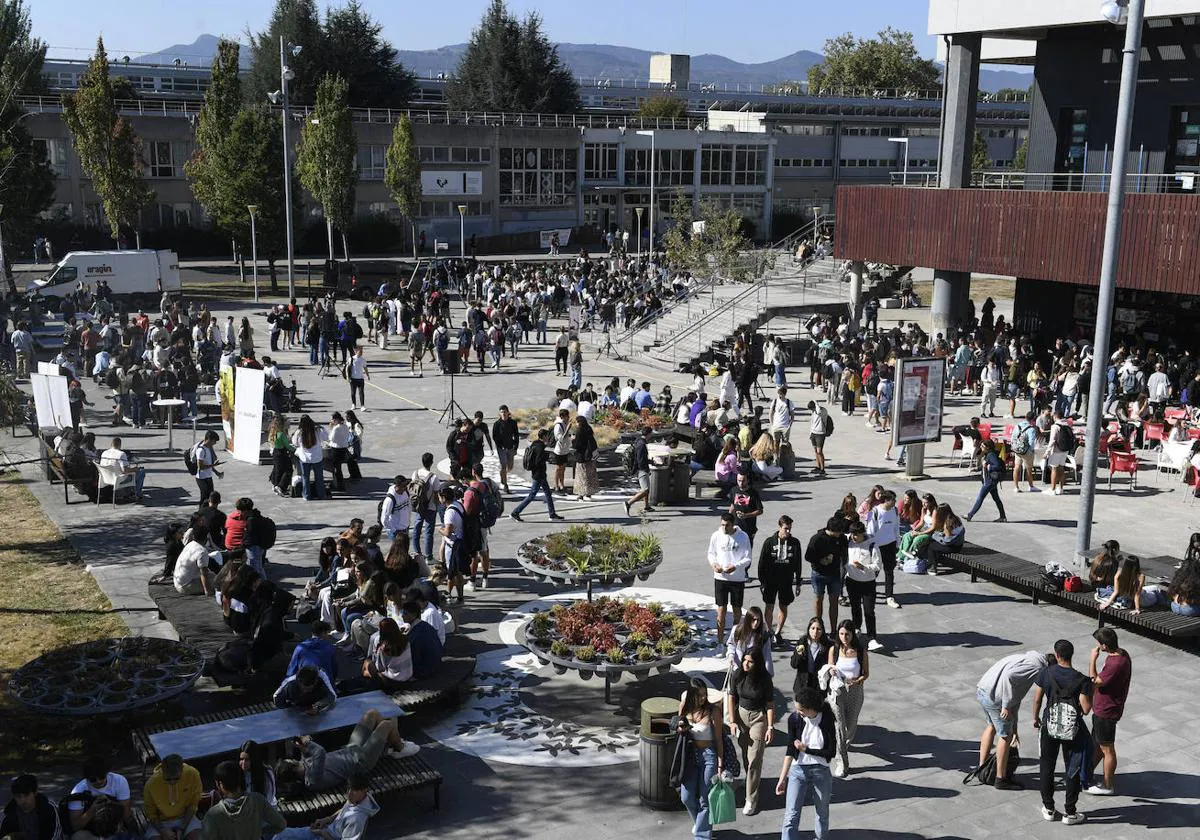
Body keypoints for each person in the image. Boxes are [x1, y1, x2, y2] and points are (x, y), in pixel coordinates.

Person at [275, 709, 419, 793]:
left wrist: (303, 747)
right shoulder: (312, 779)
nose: (290, 758)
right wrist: (308, 742)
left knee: (371, 714)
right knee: (387, 724)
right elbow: (320, 753)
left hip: (350, 749)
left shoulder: (302, 767)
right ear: (292, 767)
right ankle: (399, 748)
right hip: (361, 762)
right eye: (289, 760)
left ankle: (390, 743)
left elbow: (308, 756)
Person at [1032, 639, 1094, 825]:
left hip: (1049, 726)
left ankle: (1049, 808)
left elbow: (1037, 699)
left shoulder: (1046, 672)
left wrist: (1035, 718)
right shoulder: (1081, 679)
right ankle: (1070, 812)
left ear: (1057, 655)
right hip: (1072, 729)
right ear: (1071, 655)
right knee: (1072, 768)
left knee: (1047, 766)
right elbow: (1085, 709)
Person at [975, 649, 1051, 791]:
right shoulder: (1036, 667)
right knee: (1005, 737)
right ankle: (1000, 778)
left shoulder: (1026, 659)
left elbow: (1016, 697)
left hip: (983, 690)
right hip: (995, 698)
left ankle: (982, 768)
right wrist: (1005, 705)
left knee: (991, 726)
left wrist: (1015, 728)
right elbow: (1009, 677)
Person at [776, 686, 836, 840]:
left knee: (822, 813)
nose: (798, 712)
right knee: (791, 815)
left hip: (821, 771)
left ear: (811, 709)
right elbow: (790, 750)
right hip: (798, 771)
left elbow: (831, 752)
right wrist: (782, 778)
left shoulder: (826, 719)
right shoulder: (795, 719)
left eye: (801, 710)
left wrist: (806, 749)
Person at [725, 648, 775, 816]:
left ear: (757, 663)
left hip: (758, 718)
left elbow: (769, 704)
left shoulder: (764, 678)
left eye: (750, 661)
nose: (746, 663)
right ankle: (751, 781)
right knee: (746, 755)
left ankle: (751, 798)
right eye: (745, 660)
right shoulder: (738, 673)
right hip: (741, 716)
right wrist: (732, 721)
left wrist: (770, 726)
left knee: (754, 758)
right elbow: (731, 697)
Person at [675, 678, 724, 840]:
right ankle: (701, 824)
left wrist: (720, 763)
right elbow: (678, 726)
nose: (703, 698)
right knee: (686, 797)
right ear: (691, 695)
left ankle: (702, 836)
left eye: (704, 695)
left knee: (705, 799)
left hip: (708, 755)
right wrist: (680, 728)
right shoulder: (684, 707)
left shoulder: (713, 711)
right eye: (699, 695)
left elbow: (718, 739)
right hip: (689, 755)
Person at [1086, 628, 1131, 796]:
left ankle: (1107, 784)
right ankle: (1087, 772)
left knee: (1107, 748)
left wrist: (1092, 660)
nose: (1096, 646)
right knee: (1098, 743)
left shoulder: (1115, 664)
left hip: (1106, 711)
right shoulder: (1122, 654)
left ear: (1104, 646)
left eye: (1098, 643)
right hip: (1105, 708)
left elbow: (1094, 681)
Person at [271, 775, 378, 840]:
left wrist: (322, 833)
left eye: (354, 790)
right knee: (281, 835)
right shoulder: (359, 799)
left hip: (324, 836)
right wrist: (327, 819)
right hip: (324, 830)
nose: (349, 794)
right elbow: (346, 809)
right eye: (348, 789)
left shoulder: (357, 820)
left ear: (365, 790)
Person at [200, 760, 285, 840]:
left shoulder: (213, 815)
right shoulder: (257, 800)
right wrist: (260, 831)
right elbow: (281, 824)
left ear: (220, 784)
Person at [827, 620, 869, 777]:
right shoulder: (834, 649)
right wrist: (831, 672)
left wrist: (857, 681)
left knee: (850, 727)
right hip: (837, 692)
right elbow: (830, 668)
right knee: (840, 726)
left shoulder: (860, 651)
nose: (844, 637)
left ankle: (840, 747)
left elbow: (866, 673)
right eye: (841, 634)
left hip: (855, 691)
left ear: (853, 634)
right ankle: (841, 762)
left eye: (847, 634)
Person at [708, 512, 752, 649]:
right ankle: (720, 641)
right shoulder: (716, 535)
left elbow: (748, 558)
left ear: (733, 525)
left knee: (737, 610)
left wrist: (736, 566)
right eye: (722, 525)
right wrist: (714, 564)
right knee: (721, 610)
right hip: (720, 578)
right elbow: (711, 553)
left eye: (727, 525)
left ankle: (735, 639)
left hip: (737, 579)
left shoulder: (743, 537)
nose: (724, 528)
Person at [757, 515, 802, 644]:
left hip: (786, 580)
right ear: (779, 527)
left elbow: (798, 563)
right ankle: (769, 631)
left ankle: (778, 632)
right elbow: (762, 562)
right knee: (769, 605)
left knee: (783, 606)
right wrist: (762, 581)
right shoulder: (769, 542)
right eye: (786, 529)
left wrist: (798, 582)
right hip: (771, 579)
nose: (788, 532)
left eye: (789, 529)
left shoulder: (795, 543)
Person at [65, 757, 132, 840]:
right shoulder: (78, 792)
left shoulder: (119, 781)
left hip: (115, 827)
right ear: (87, 778)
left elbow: (125, 813)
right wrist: (93, 810)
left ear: (107, 773)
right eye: (93, 779)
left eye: (102, 777)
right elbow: (75, 826)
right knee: (77, 837)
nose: (98, 781)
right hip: (91, 830)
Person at [142, 754, 202, 840]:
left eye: (177, 778)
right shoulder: (151, 784)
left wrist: (182, 828)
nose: (172, 782)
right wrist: (162, 831)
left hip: (185, 817)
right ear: (162, 770)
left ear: (182, 770)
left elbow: (193, 805)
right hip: (161, 821)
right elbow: (151, 814)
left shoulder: (193, 774)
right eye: (168, 779)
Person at [844, 522, 883, 651]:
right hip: (852, 581)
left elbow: (878, 566)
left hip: (868, 583)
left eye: (857, 535)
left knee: (869, 611)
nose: (854, 538)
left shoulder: (872, 545)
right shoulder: (848, 542)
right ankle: (856, 629)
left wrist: (863, 567)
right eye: (852, 535)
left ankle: (872, 637)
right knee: (855, 607)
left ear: (863, 534)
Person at [510, 429, 563, 522]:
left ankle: (552, 514)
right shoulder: (540, 447)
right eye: (547, 436)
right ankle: (515, 512)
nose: (548, 438)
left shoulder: (535, 444)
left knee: (548, 493)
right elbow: (538, 461)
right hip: (539, 475)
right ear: (544, 437)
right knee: (532, 495)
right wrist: (546, 457)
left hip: (539, 474)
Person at [805, 517, 847, 630]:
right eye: (838, 532)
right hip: (819, 574)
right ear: (832, 530)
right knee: (819, 599)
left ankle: (834, 629)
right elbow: (808, 556)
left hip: (835, 574)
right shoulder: (817, 539)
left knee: (834, 601)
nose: (840, 534)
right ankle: (819, 627)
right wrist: (820, 560)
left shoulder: (841, 538)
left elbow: (846, 550)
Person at [865, 490, 901, 609]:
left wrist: (897, 542)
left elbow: (896, 527)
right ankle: (868, 593)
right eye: (893, 500)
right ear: (886, 500)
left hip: (890, 545)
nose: (895, 502)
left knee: (889, 571)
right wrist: (872, 547)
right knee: (874, 571)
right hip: (877, 546)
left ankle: (889, 596)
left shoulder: (895, 511)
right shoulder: (874, 512)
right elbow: (870, 531)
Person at [1, 774, 62, 840]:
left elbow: (56, 835)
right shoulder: (9, 814)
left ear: (35, 793)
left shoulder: (48, 808)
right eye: (18, 796)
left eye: (26, 795)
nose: (23, 800)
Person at [964, 439, 1008, 522]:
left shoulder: (991, 455)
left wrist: (989, 467)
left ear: (987, 447)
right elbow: (986, 465)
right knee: (996, 499)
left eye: (982, 446)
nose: (981, 447)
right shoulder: (989, 454)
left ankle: (970, 515)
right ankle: (1003, 517)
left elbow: (996, 465)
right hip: (991, 480)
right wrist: (976, 469)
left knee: (980, 497)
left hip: (990, 481)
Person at [790, 617, 832, 697]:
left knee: (816, 709)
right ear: (808, 629)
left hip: (818, 686)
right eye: (812, 628)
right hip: (802, 685)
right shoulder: (802, 642)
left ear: (822, 631)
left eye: (818, 629)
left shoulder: (828, 646)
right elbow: (793, 664)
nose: (815, 632)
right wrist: (799, 655)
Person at [272, 665, 337, 714]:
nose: (306, 691)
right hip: (296, 706)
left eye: (309, 689)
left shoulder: (322, 677)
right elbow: (276, 697)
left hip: (316, 703)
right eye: (304, 688)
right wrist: (290, 711)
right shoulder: (290, 683)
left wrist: (318, 707)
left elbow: (332, 696)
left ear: (315, 682)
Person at [292, 415, 328, 501]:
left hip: (305, 459)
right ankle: (321, 495)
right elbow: (326, 437)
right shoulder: (317, 430)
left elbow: (295, 443)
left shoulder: (299, 432)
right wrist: (322, 428)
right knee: (319, 477)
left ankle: (307, 495)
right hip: (317, 457)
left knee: (305, 478)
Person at [173, 525, 213, 596]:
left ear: (193, 537)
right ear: (207, 538)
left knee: (213, 575)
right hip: (185, 587)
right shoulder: (202, 551)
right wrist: (207, 591)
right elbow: (203, 573)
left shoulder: (190, 544)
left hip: (178, 582)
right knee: (219, 580)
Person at [622, 427, 653, 516]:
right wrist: (645, 469)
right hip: (642, 469)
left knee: (647, 487)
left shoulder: (639, 441)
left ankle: (647, 506)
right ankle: (628, 503)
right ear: (649, 434)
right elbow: (640, 459)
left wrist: (650, 462)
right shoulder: (641, 444)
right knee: (645, 490)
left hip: (641, 468)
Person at [728, 470, 764, 547]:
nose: (741, 483)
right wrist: (728, 519)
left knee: (747, 549)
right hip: (736, 526)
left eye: (743, 481)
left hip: (749, 527)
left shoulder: (753, 493)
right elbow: (732, 506)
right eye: (739, 480)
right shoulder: (734, 490)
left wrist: (746, 515)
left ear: (748, 480)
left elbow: (760, 510)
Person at [237, 741, 277, 808]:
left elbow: (269, 797)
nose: (243, 763)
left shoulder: (266, 773)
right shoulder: (239, 773)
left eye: (247, 760)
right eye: (241, 759)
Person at [491, 405, 520, 494]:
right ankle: (505, 484)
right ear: (499, 413)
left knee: (510, 466)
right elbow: (494, 437)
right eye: (501, 412)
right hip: (501, 449)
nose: (503, 413)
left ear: (508, 412)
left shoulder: (512, 423)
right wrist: (500, 446)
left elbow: (516, 435)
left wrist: (515, 447)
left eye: (504, 412)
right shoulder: (497, 424)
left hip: (510, 447)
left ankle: (503, 476)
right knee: (503, 466)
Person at [1010, 411, 1039, 493]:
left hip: (1018, 449)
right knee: (1029, 469)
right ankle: (1031, 486)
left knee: (1016, 467)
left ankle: (1016, 487)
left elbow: (1013, 437)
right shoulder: (1031, 429)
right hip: (1027, 451)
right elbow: (1031, 442)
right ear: (1033, 419)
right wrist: (1031, 451)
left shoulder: (1018, 425)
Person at [191, 431, 223, 506]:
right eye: (214, 441)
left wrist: (216, 472)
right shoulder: (201, 450)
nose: (215, 443)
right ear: (208, 439)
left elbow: (208, 464)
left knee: (210, 497)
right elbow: (201, 467)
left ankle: (208, 513)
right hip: (201, 478)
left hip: (208, 477)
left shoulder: (208, 448)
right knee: (204, 498)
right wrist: (213, 465)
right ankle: (200, 514)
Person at [571, 415, 598, 500]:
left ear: (579, 422)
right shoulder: (589, 429)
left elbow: (577, 445)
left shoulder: (579, 431)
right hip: (589, 456)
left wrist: (573, 439)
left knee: (581, 476)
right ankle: (589, 493)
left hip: (581, 456)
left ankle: (581, 493)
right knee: (590, 475)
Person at [379, 475, 410, 542]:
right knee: (397, 551)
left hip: (405, 528)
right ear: (397, 486)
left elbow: (408, 507)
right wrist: (394, 530)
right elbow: (384, 519)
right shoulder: (390, 500)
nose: (405, 488)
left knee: (404, 550)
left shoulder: (405, 492)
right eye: (403, 486)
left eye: (406, 485)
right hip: (396, 532)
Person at [807, 400, 831, 476]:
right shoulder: (814, 412)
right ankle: (818, 466)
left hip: (820, 434)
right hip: (813, 433)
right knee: (816, 451)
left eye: (812, 409)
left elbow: (819, 412)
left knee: (819, 452)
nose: (812, 410)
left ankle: (823, 469)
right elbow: (812, 422)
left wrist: (816, 402)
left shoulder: (822, 411)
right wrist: (810, 433)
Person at [346, 346, 369, 410]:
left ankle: (362, 406)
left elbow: (365, 368)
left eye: (362, 351)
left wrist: (368, 375)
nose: (361, 352)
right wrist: (348, 377)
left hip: (361, 378)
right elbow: (347, 368)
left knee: (361, 392)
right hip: (353, 378)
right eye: (360, 351)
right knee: (353, 392)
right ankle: (353, 404)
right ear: (356, 351)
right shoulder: (351, 359)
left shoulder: (362, 359)